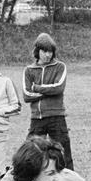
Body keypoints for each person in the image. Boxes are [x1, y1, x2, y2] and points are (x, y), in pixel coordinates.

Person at [22, 33, 72, 170]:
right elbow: (26, 95)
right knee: (30, 152)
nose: (48, 55)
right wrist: (48, 93)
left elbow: (58, 88)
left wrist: (37, 88)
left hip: (57, 117)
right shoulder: (29, 70)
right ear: (37, 51)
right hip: (37, 118)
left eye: (50, 51)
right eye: (44, 51)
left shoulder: (60, 67)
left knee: (64, 153)